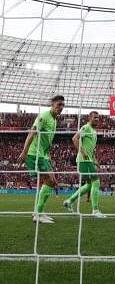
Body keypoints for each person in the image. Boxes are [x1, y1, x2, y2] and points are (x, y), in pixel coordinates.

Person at [17, 95, 65, 224]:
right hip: (34, 154)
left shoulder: (54, 120)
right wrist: (24, 152)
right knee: (49, 181)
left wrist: (47, 154)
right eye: (59, 104)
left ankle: (39, 211)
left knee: (52, 181)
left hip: (43, 155)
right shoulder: (44, 116)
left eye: (62, 105)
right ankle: (37, 213)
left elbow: (46, 140)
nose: (61, 107)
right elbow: (32, 132)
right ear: (52, 104)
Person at [63, 111, 106, 218]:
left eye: (98, 118)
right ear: (89, 118)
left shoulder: (94, 131)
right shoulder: (86, 127)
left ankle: (69, 201)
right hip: (83, 160)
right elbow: (74, 138)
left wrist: (95, 160)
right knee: (96, 182)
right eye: (95, 117)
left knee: (89, 185)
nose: (97, 119)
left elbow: (91, 149)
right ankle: (95, 211)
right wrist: (82, 152)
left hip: (88, 160)